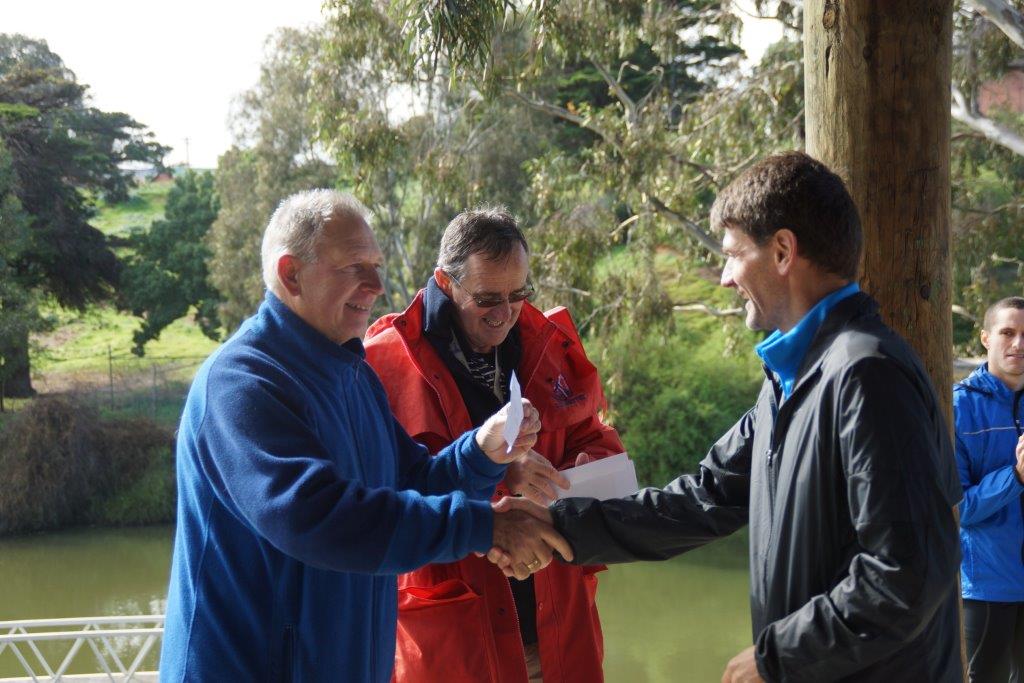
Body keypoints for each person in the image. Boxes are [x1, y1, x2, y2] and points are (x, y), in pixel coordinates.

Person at [492, 151, 964, 682]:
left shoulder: (867, 375)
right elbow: (703, 498)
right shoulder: (788, 381)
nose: (724, 278)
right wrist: (559, 523)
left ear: (782, 251)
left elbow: (908, 573)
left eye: (734, 255)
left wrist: (777, 657)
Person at [158, 190, 573, 683]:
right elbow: (317, 517)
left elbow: (415, 481)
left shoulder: (354, 375)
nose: (377, 286)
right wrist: (485, 527)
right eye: (355, 267)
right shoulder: (241, 383)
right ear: (291, 274)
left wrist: (481, 452)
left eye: (376, 266)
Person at [364, 207, 624, 682]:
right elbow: (380, 507)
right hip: (457, 646)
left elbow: (595, 434)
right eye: (487, 299)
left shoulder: (548, 342)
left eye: (518, 294)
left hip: (559, 628)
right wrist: (500, 474)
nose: (505, 314)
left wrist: (589, 465)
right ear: (445, 283)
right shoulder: (382, 364)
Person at [954, 296, 1024, 682]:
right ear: (985, 338)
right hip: (986, 589)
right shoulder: (959, 407)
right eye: (1007, 333)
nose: (1018, 344)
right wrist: (1016, 476)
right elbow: (958, 508)